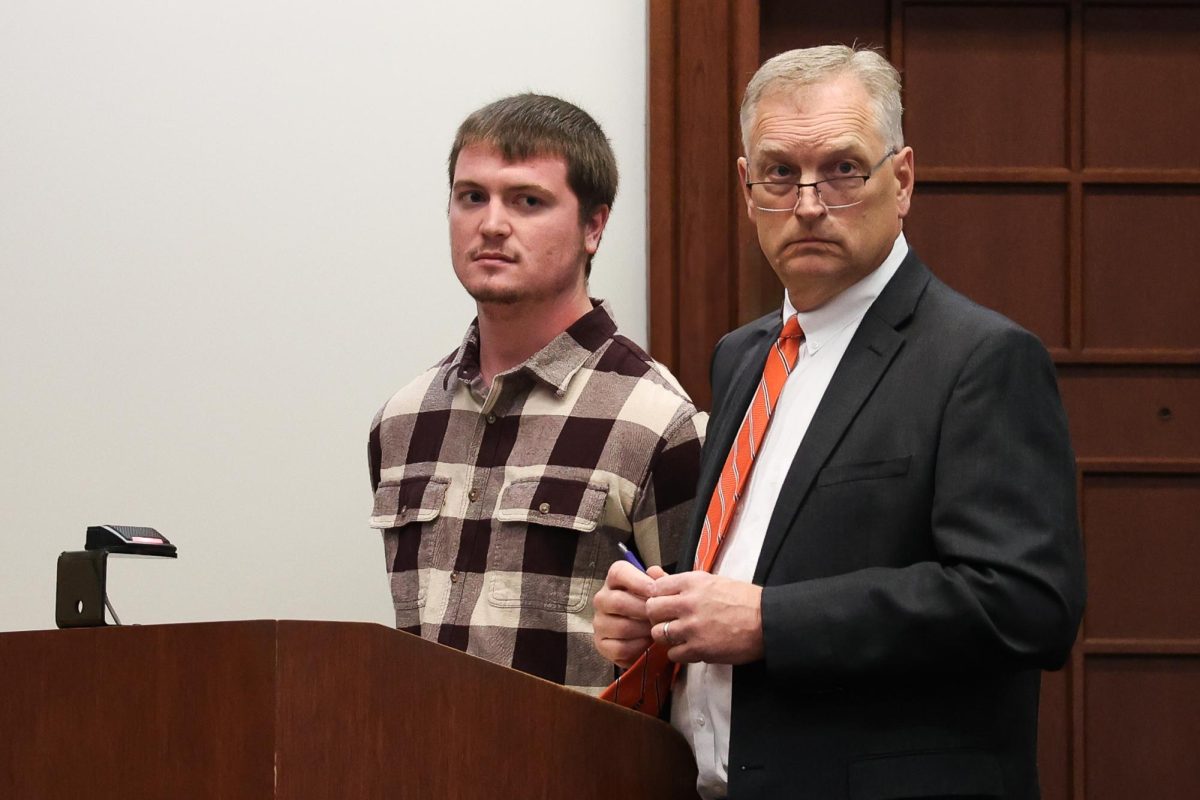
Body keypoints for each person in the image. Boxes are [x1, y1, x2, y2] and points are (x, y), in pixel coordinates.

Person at [593, 46, 1086, 798]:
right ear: (746, 186)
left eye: (844, 169)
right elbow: (750, 580)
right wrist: (662, 630)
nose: (810, 202)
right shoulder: (742, 357)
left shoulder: (981, 359)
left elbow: (1025, 605)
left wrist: (769, 621)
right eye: (781, 173)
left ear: (904, 179)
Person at [368, 93, 705, 695]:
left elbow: (692, 672)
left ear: (593, 226)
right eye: (472, 196)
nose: (492, 223)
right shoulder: (403, 418)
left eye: (527, 200)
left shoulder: (657, 420)